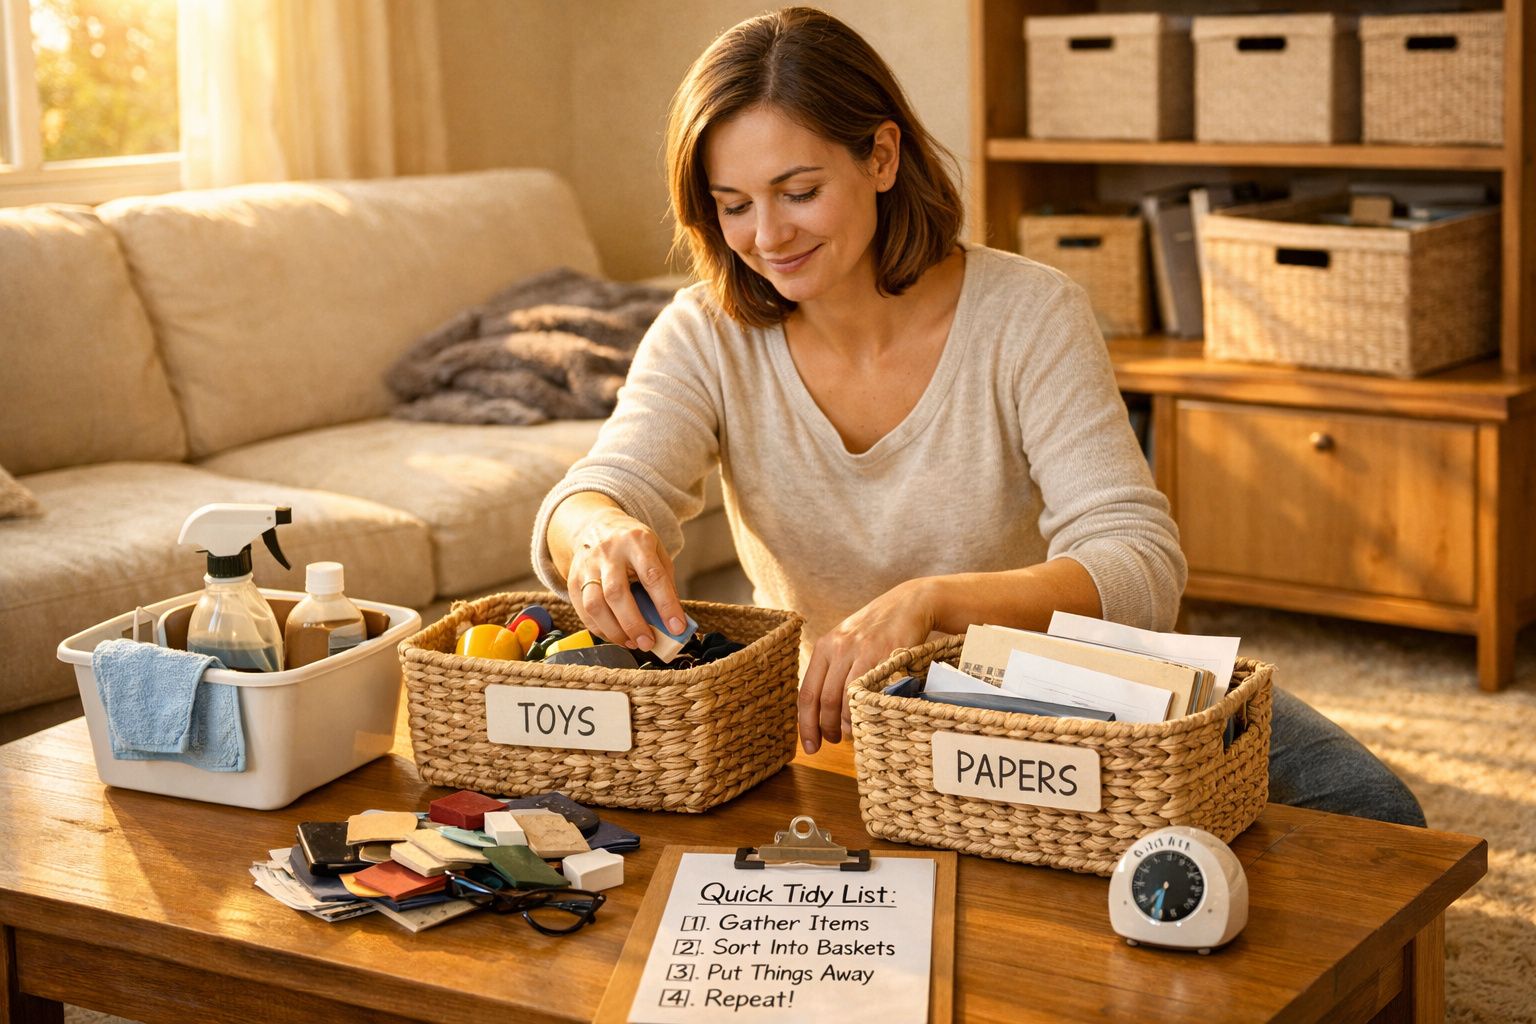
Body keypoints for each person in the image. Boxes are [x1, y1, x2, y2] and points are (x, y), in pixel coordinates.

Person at [532, 7, 1425, 828]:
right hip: (841, 722)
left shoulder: (1030, 313)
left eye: (798, 191)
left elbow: (1141, 567)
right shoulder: (705, 333)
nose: (767, 237)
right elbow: (597, 493)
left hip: (1060, 689)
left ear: (881, 158)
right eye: (734, 206)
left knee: (1371, 810)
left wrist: (934, 605)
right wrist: (601, 529)